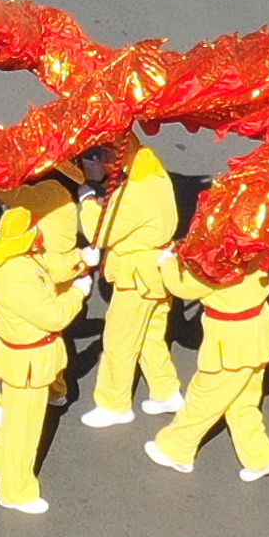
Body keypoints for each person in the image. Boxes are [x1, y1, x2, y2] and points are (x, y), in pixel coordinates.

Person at [0, 169, 89, 512]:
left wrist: (79, 264)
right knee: (26, 429)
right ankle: (15, 490)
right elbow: (53, 315)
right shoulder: (18, 274)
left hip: (17, 357)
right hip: (28, 360)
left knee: (13, 417)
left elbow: (48, 270)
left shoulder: (10, 256)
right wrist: (78, 294)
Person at [144, 236, 269, 481]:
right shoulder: (254, 251)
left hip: (230, 341)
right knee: (243, 402)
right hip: (259, 332)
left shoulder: (214, 266)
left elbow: (182, 287)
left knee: (204, 397)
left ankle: (176, 449)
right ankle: (259, 457)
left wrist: (168, 261)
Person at [80, 136, 183, 427]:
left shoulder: (133, 196)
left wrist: (87, 200)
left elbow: (99, 233)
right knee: (150, 336)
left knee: (120, 340)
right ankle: (166, 391)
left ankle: (114, 404)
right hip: (160, 273)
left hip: (136, 277)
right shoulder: (156, 175)